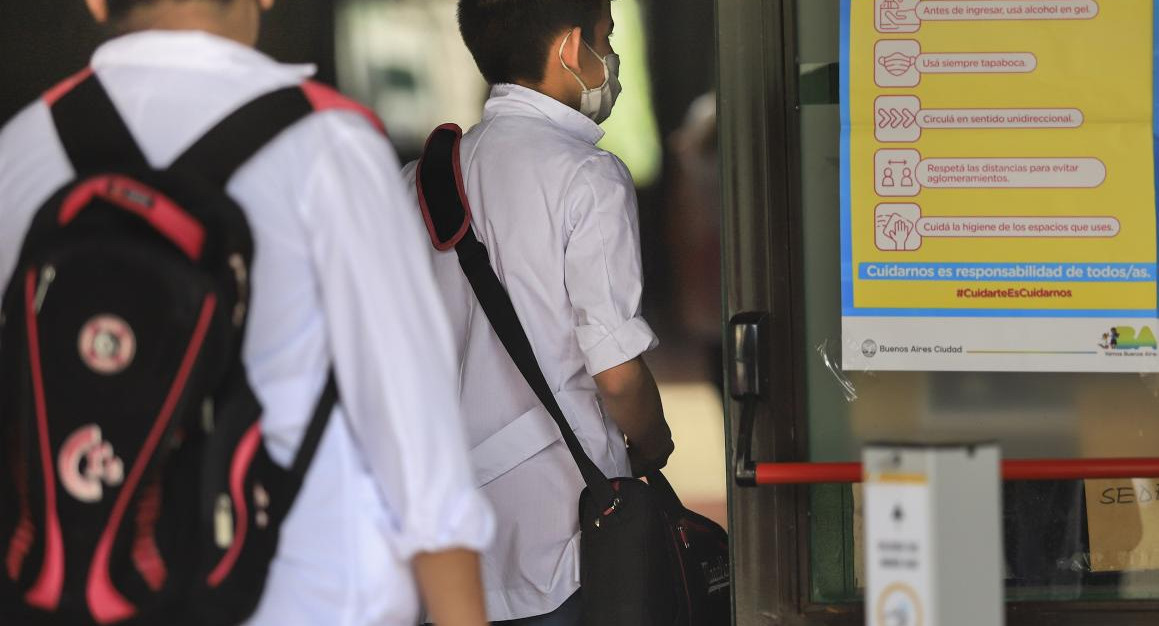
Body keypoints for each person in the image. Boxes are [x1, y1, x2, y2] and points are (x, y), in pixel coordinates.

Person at [0, 1, 494, 625]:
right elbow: (417, 445)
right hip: (304, 601)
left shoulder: (18, 157)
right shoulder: (328, 143)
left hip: (78, 598)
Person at [406, 1, 676, 623]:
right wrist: (653, 441)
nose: (610, 58)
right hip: (565, 539)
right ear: (570, 48)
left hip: (450, 544)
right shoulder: (587, 178)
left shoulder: (421, 181)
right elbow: (616, 373)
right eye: (607, 38)